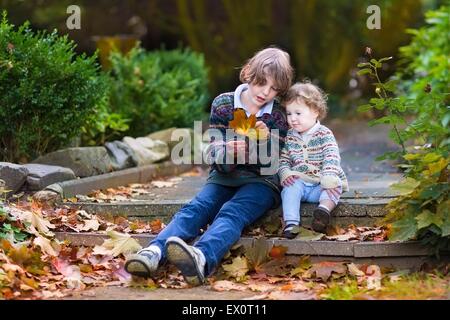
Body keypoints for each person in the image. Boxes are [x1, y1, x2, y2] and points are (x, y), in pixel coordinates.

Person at [125, 47, 293, 286]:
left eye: (274, 88)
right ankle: (153, 253)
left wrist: (264, 143)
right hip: (224, 177)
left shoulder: (277, 114)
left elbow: (275, 162)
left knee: (232, 213)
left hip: (261, 183)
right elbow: (214, 153)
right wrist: (229, 154)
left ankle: (201, 258)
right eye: (262, 82)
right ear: (248, 73)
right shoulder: (224, 104)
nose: (266, 92)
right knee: (197, 207)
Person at [278, 81, 349, 238]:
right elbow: (284, 160)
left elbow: (332, 157)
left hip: (321, 185)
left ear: (315, 111)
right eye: (289, 114)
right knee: (289, 188)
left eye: (298, 113)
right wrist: (285, 173)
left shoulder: (324, 134)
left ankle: (323, 211)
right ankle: (291, 223)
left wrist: (329, 176)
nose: (292, 119)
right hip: (301, 183)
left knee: (334, 185)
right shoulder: (290, 136)